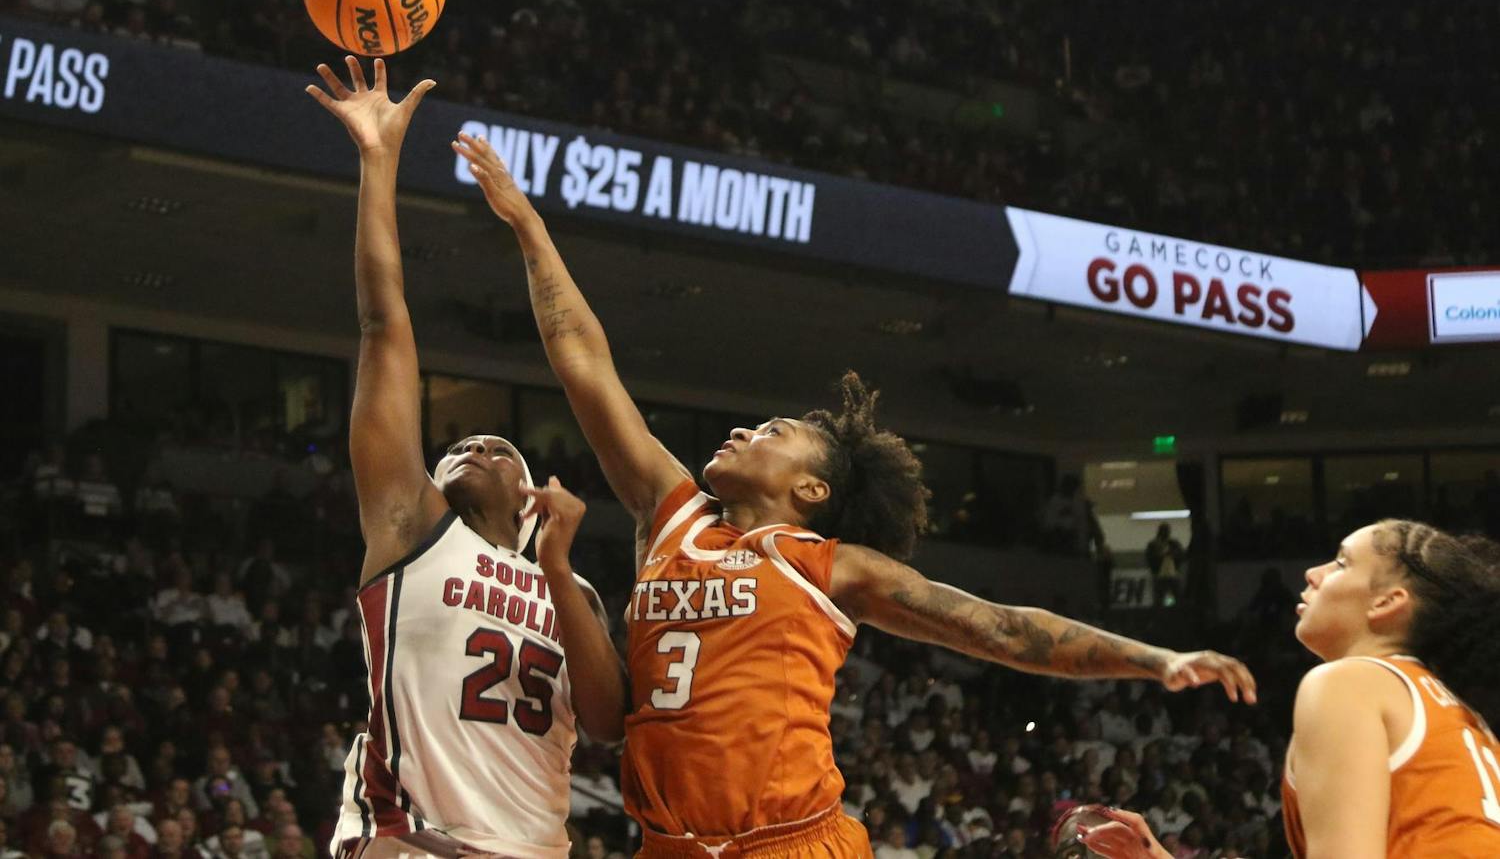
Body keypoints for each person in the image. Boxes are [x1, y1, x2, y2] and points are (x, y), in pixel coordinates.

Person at [453, 130, 1256, 858]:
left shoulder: (832, 566)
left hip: (793, 844)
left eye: (772, 430)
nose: (743, 431)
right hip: (669, 846)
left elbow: (1007, 630)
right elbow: (584, 365)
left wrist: (1157, 658)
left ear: (811, 486)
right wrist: (528, 223)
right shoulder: (670, 512)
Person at [305, 59, 626, 858]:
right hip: (414, 839)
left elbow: (611, 721)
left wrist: (557, 568)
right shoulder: (411, 524)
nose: (474, 443)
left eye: (499, 446)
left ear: (530, 493)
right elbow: (384, 324)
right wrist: (379, 163)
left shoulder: (571, 584)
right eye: (458, 444)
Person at [1083, 520, 1500, 858]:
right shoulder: (1460, 715)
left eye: (1340, 563)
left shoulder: (1350, 683)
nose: (1312, 574)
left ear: (1386, 602)